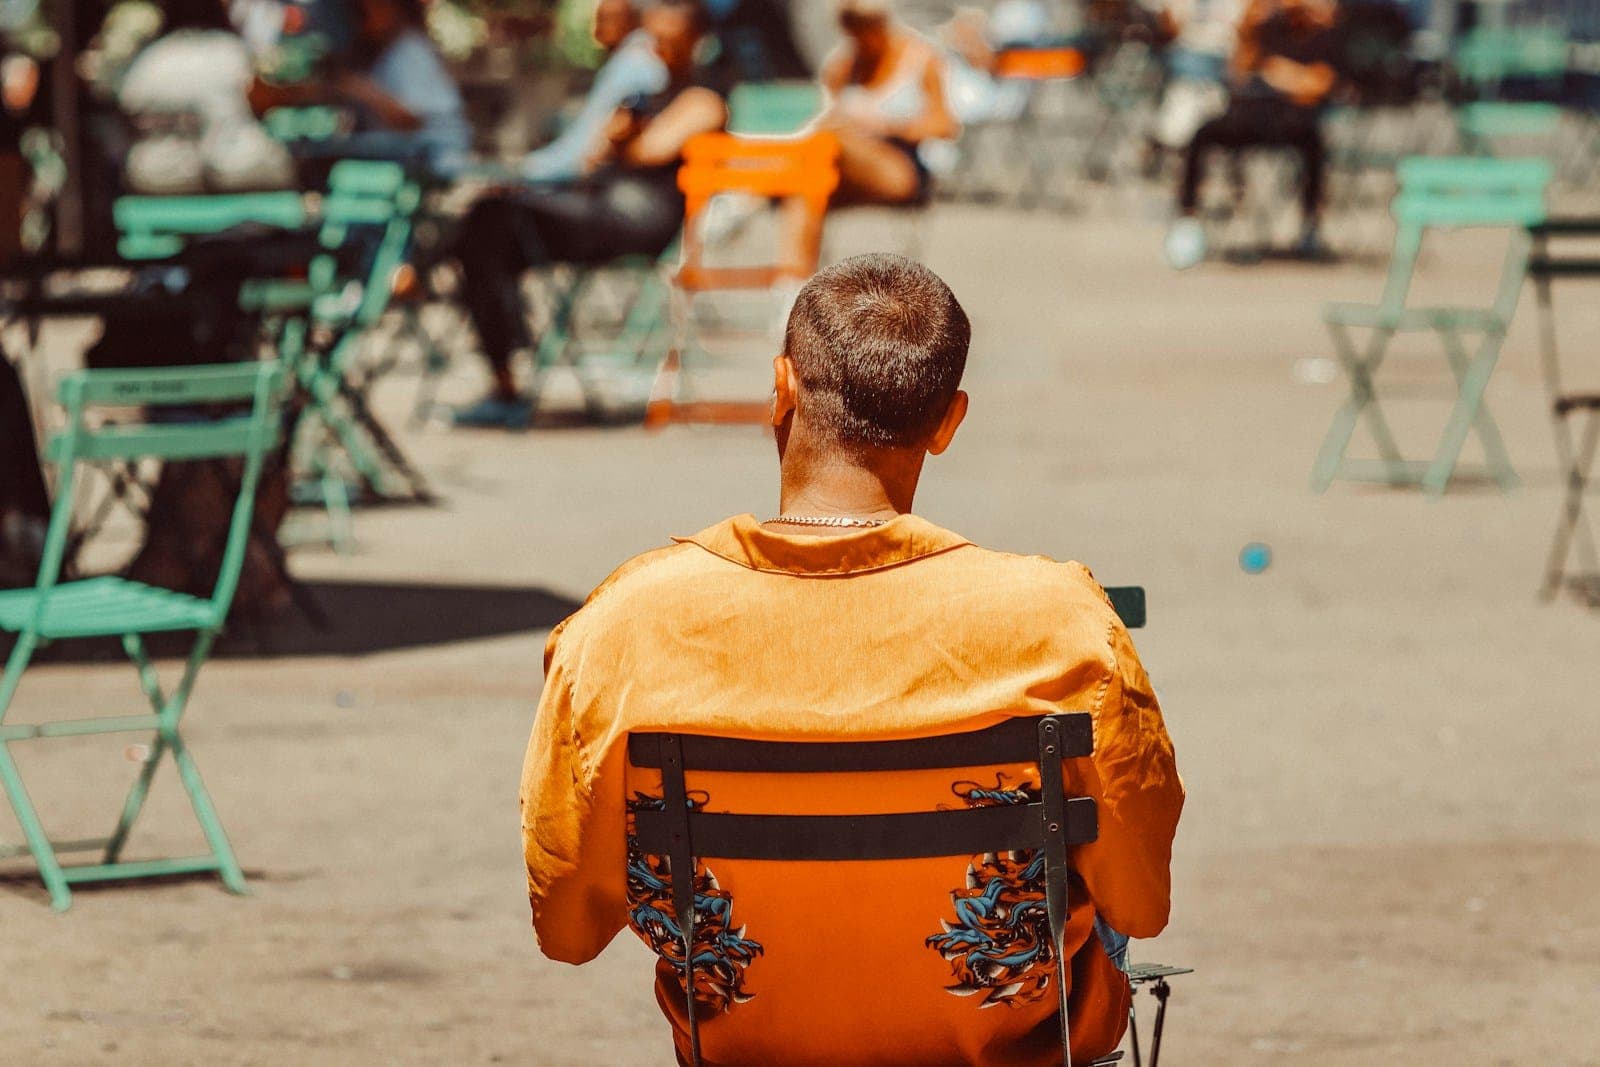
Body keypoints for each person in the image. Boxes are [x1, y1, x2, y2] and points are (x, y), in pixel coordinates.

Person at [519, 253, 1184, 1065]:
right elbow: (1141, 901)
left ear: (781, 387)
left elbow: (566, 928)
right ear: (948, 421)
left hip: (748, 1045)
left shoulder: (626, 622)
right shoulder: (1060, 621)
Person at [451, 0, 725, 428]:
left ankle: (507, 370)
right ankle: (506, 358)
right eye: (653, 39)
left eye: (669, 41)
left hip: (636, 220)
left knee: (492, 222)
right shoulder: (646, 97)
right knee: (486, 224)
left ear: (695, 42)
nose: (658, 50)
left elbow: (650, 149)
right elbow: (590, 157)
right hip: (601, 209)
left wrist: (618, 140)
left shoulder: (703, 99)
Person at [1165, 0, 1341, 269]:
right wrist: (1247, 30)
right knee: (1200, 134)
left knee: (1313, 140)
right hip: (1249, 114)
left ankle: (1310, 225)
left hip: (1291, 119)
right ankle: (1187, 219)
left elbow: (1318, 84)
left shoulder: (1322, 33)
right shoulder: (1266, 28)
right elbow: (1239, 75)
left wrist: (1276, 71)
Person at [117, 0, 295, 194]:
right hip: (234, 168)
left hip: (154, 174)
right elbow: (263, 99)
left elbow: (126, 105)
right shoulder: (231, 51)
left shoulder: (149, 59)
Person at [818, 0, 959, 206]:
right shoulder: (841, 67)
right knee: (808, 188)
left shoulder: (920, 58)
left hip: (904, 164)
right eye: (851, 27)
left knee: (827, 147)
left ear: (880, 21)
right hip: (849, 163)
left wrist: (887, 127)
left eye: (863, 25)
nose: (859, 36)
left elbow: (945, 126)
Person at [520, 0, 667, 184]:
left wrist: (532, 169)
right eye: (598, 19)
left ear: (631, 20)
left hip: (597, 176)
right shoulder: (628, 58)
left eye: (609, 19)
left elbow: (585, 140)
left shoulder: (633, 63)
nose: (599, 28)